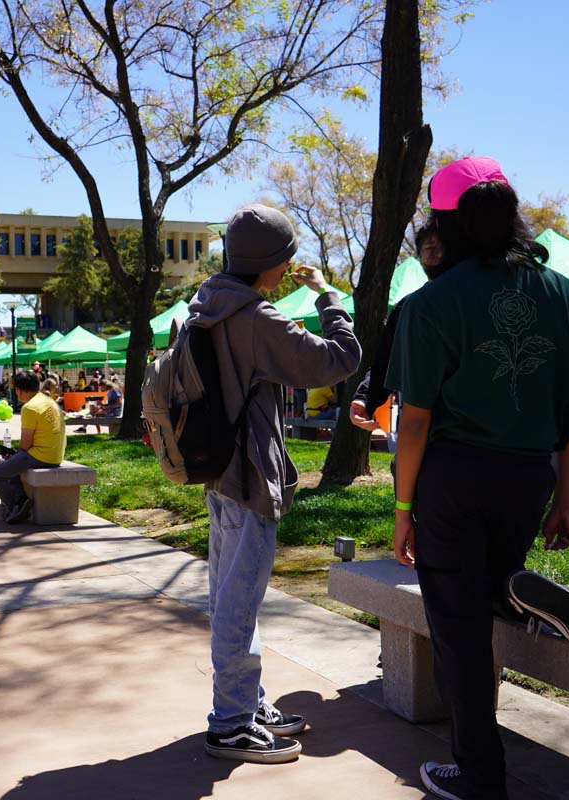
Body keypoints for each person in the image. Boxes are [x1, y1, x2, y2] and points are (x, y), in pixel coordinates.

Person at [385, 157, 569, 800]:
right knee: (487, 587)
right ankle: (515, 591)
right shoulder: (563, 293)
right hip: (529, 477)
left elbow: (415, 422)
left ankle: (480, 777)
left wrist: (403, 509)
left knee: (458, 630)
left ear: (445, 225)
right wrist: (565, 500)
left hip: (453, 480)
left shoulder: (430, 303)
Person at [188, 203, 360, 765]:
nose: (288, 268)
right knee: (239, 606)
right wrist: (327, 296)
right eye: (285, 259)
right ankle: (230, 724)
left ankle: (246, 703)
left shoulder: (207, 305)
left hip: (217, 471)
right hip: (248, 477)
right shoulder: (256, 318)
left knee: (233, 599)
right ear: (271, 262)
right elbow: (339, 359)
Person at [349, 219, 444, 436]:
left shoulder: (477, 300)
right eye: (430, 248)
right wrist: (364, 399)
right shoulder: (409, 307)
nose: (437, 254)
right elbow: (385, 362)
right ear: (420, 256)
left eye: (444, 248)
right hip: (422, 428)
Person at [0, 370, 65, 523]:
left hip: (41, 457)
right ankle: (19, 499)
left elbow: (25, 444)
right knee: (12, 463)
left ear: (19, 391)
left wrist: (16, 454)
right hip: (56, 455)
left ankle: (16, 504)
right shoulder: (49, 401)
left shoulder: (29, 408)